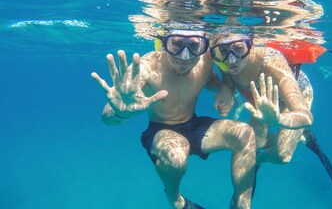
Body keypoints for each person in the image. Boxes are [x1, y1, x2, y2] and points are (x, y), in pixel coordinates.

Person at [91, 29, 257, 209]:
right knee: (175, 157)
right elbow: (107, 116)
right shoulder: (147, 67)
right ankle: (174, 197)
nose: (185, 56)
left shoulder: (206, 59)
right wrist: (120, 111)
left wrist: (224, 88)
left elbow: (208, 79)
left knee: (245, 133)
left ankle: (242, 205)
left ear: (204, 45)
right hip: (162, 130)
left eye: (194, 46)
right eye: (177, 44)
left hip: (193, 124)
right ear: (164, 43)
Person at [209, 32, 332, 186]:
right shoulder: (223, 63)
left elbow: (306, 116)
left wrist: (279, 119)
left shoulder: (272, 63)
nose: (231, 59)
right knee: (256, 143)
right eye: (223, 50)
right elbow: (229, 83)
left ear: (252, 44)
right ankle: (299, 137)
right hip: (264, 103)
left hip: (295, 98)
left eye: (238, 48)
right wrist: (226, 91)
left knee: (283, 156)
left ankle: (261, 159)